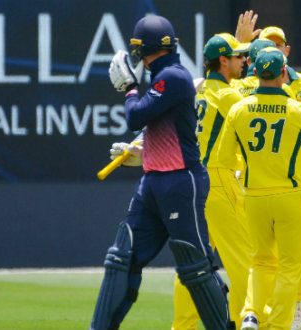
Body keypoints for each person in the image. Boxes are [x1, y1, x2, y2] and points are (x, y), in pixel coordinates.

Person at [91, 15, 228, 330]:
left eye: (137, 47)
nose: (134, 54)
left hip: (181, 182)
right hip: (153, 181)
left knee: (195, 267)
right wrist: (140, 154)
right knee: (122, 259)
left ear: (146, 48)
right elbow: (160, 130)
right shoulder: (163, 77)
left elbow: (136, 116)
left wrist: (128, 88)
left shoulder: (173, 77)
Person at [217, 47, 301, 330]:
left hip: (254, 196)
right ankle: (277, 325)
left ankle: (250, 313)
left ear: (255, 73)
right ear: (283, 73)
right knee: (289, 266)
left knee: (261, 262)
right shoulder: (296, 109)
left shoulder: (238, 109)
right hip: (289, 196)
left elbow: (225, 159)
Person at [170, 32, 254, 330]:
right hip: (218, 181)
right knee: (244, 261)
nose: (244, 61)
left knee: (193, 265)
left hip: (190, 182)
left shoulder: (196, 91)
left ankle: (182, 326)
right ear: (223, 61)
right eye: (239, 56)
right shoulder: (229, 95)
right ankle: (242, 322)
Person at [259, 25, 301, 330]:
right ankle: (271, 314)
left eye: (277, 44)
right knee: (266, 258)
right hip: (259, 182)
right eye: (265, 45)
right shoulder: (247, 88)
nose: (271, 49)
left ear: (286, 51)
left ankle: (295, 300)